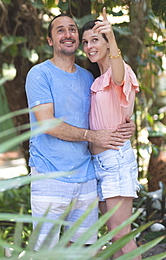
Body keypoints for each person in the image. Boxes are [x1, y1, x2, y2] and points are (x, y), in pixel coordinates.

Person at [25, 13, 135, 251]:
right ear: (50, 40)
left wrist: (128, 122)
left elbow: (113, 99)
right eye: (60, 30)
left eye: (72, 29)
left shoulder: (88, 78)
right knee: (45, 251)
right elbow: (47, 123)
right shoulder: (39, 74)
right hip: (49, 175)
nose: (68, 34)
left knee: (83, 251)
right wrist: (92, 136)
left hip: (86, 177)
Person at [81, 8, 140, 259]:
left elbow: (118, 74)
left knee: (120, 235)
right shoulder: (97, 79)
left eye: (95, 40)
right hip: (100, 163)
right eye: (86, 42)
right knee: (113, 235)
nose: (89, 46)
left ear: (107, 43)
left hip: (115, 161)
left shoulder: (120, 72)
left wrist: (112, 38)